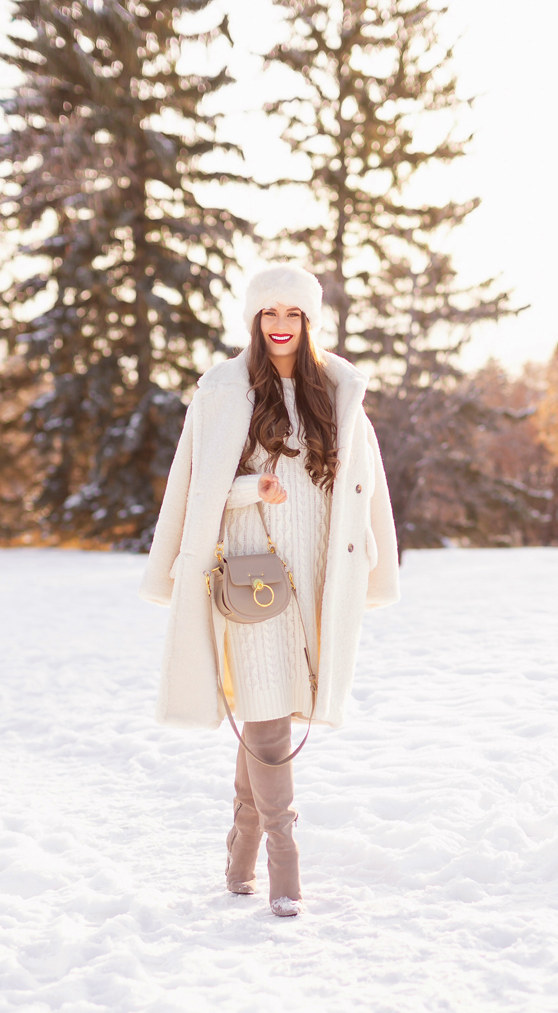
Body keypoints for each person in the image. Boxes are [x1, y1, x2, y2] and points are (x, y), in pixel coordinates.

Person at [140, 263, 400, 917]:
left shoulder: (336, 394)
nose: (281, 326)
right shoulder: (226, 393)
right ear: (253, 320)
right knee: (263, 707)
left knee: (271, 714)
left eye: (294, 314)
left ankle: (238, 857)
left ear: (309, 321)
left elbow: (367, 492)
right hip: (251, 574)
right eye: (269, 313)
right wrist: (251, 488)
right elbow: (198, 491)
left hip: (314, 574)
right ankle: (285, 861)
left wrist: (372, 564)